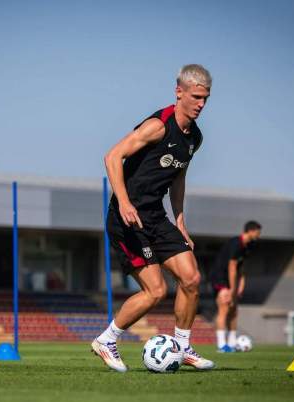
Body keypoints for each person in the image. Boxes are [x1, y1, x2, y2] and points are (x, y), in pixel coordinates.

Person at [92, 64, 214, 372]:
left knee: (191, 278)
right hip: (127, 218)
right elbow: (112, 156)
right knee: (156, 291)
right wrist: (122, 202)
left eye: (206, 98)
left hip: (156, 217)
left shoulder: (194, 138)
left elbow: (178, 179)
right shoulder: (158, 126)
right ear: (179, 92)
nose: (201, 104)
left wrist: (181, 221)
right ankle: (106, 340)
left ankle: (183, 347)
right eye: (196, 96)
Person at [209, 221, 262, 352]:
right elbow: (232, 267)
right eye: (257, 232)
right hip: (220, 278)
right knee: (224, 308)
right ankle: (221, 345)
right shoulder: (236, 244)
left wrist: (241, 284)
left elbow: (241, 267)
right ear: (250, 231)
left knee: (234, 311)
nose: (258, 235)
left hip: (230, 280)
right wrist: (232, 289)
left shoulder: (248, 246)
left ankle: (231, 343)